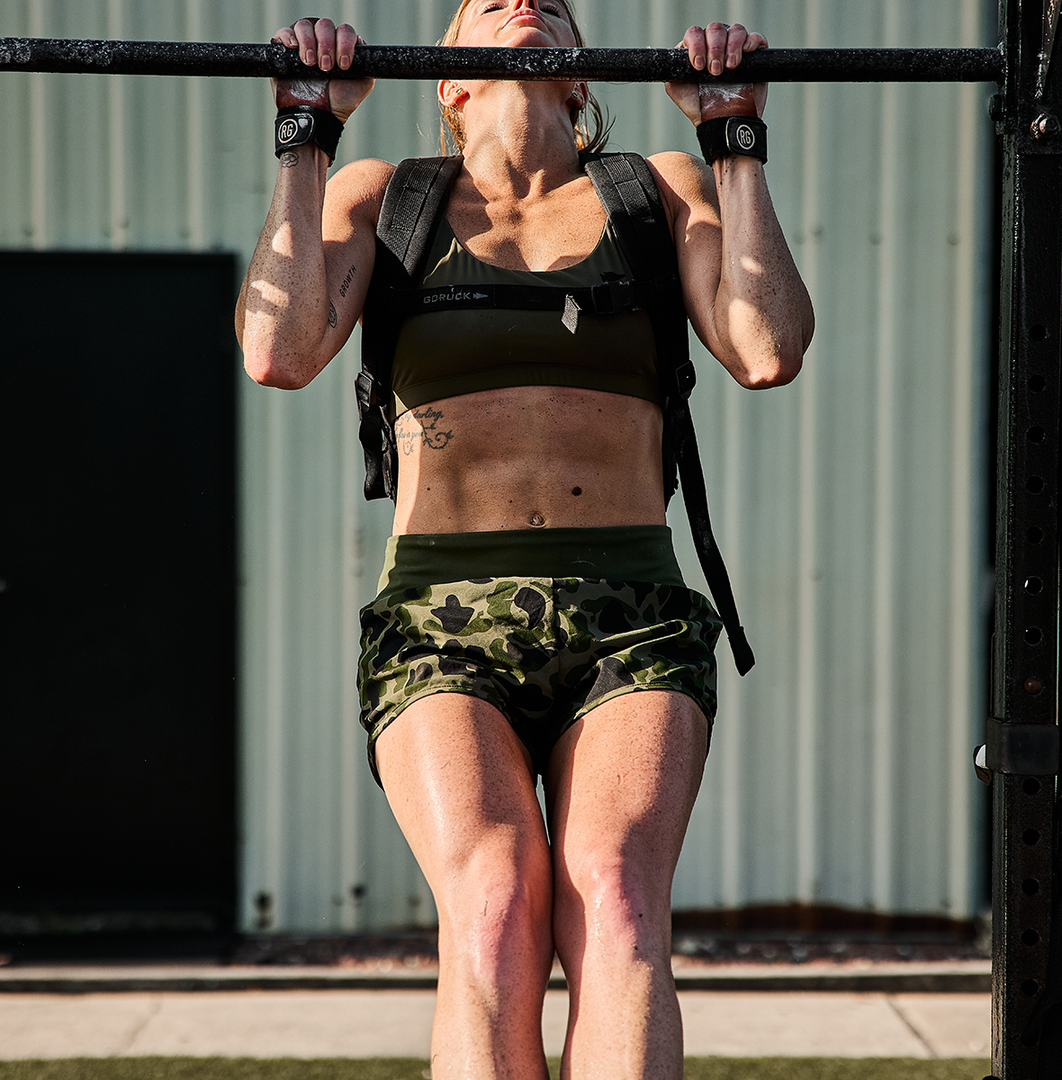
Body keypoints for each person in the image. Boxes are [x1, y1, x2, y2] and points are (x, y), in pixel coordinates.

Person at [236, 3, 814, 1077]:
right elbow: (277, 350)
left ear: (582, 77)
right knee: (495, 907)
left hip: (631, 616)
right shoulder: (385, 196)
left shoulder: (654, 194)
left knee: (620, 900)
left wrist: (732, 137)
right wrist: (306, 133)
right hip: (438, 620)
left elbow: (768, 346)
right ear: (448, 82)